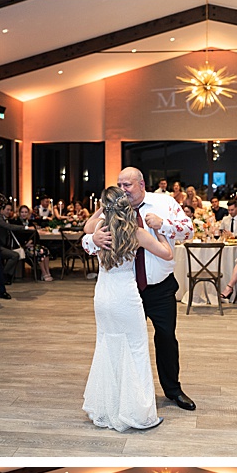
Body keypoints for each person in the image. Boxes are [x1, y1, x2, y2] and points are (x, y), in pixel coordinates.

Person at [83, 168, 195, 411]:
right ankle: (125, 392)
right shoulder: (112, 212)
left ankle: (173, 390)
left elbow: (189, 230)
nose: (123, 189)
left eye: (127, 185)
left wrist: (163, 224)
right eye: (119, 185)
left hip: (159, 288)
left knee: (166, 338)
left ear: (141, 183)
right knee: (126, 341)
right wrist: (95, 233)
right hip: (124, 291)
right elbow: (88, 229)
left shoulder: (164, 202)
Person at [80, 186, 174, 432]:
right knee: (135, 350)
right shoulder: (138, 232)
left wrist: (101, 212)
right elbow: (166, 254)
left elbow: (85, 232)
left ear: (105, 208)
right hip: (125, 297)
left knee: (107, 347)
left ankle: (106, 408)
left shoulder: (99, 231)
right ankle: (138, 413)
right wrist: (160, 232)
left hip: (103, 296)